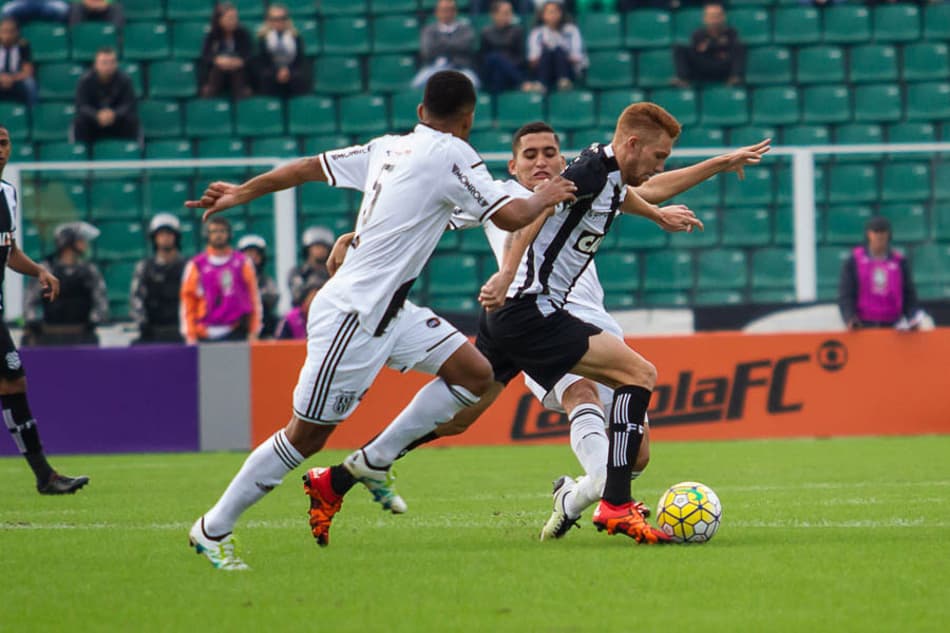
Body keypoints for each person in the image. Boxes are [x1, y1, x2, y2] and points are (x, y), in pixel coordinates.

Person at [184, 70, 577, 569]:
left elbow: (308, 167)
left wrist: (244, 192)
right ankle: (212, 528)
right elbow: (511, 216)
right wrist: (549, 192)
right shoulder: (455, 155)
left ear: (421, 112)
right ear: (469, 117)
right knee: (304, 437)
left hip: (393, 309)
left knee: (475, 375)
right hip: (354, 314)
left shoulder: (388, 146)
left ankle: (376, 461)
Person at [343, 123, 770, 537]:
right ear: (513, 167)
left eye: (549, 152)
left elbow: (643, 188)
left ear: (562, 160)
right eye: (530, 155)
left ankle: (576, 496)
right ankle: (613, 502)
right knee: (579, 392)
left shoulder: (584, 186)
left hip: (594, 323)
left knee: (634, 456)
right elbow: (421, 213)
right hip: (537, 318)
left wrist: (712, 167)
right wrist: (359, 237)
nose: (541, 161)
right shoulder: (501, 201)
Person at [0, 125, 88, 494]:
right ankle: (45, 475)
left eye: (3, 142)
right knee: (12, 380)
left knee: (13, 381)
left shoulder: (8, 194)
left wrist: (38, 270)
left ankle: (44, 475)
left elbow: (8, 248)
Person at [23, 221, 108, 347]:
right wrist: (34, 322)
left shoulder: (89, 271)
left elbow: (101, 302)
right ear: (68, 243)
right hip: (50, 337)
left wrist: (94, 320)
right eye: (80, 240)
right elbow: (29, 302)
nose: (85, 244)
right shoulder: (46, 270)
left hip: (83, 336)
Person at [180, 216, 262, 344]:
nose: (218, 235)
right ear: (207, 235)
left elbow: (254, 298)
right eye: (214, 231)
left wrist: (254, 330)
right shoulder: (196, 265)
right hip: (204, 333)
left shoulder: (243, 263)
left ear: (229, 234)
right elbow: (188, 301)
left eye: (222, 231)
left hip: (236, 331)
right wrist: (190, 334)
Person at [838, 215, 923, 331]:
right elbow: (846, 293)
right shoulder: (854, 260)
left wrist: (911, 316)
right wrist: (849, 318)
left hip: (894, 326)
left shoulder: (899, 261)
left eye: (883, 231)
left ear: (888, 234)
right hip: (863, 325)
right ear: (869, 234)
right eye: (875, 231)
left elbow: (908, 294)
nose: (879, 235)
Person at [129, 213, 185, 344]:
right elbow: (136, 298)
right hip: (153, 332)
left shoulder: (188, 266)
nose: (165, 238)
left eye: (169, 234)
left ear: (176, 237)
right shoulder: (144, 267)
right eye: (161, 234)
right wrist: (143, 324)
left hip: (181, 331)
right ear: (154, 238)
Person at [72, 46, 139, 144]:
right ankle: (83, 155)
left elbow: (129, 104)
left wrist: (114, 114)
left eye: (112, 62)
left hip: (117, 121)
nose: (108, 66)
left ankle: (129, 153)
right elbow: (81, 106)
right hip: (93, 122)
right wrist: (96, 115)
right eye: (104, 63)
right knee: (80, 122)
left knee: (131, 121)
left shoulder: (125, 80)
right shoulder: (85, 81)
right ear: (96, 64)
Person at [673, 3, 745, 88]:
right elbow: (698, 51)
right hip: (703, 68)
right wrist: (718, 45)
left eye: (717, 16)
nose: (714, 20)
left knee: (740, 47)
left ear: (723, 17)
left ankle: (735, 77)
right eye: (711, 17)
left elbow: (706, 49)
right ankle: (683, 78)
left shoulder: (731, 33)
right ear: (705, 19)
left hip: (723, 69)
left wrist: (709, 46)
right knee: (680, 48)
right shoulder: (698, 34)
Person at [412, 0, 479, 90]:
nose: (446, 13)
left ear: (455, 12)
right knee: (417, 84)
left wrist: (440, 45)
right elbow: (427, 51)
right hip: (434, 67)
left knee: (474, 84)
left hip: (460, 68)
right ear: (437, 12)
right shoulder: (428, 30)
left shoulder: (465, 29)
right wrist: (454, 46)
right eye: (443, 10)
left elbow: (466, 46)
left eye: (449, 10)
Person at [526, 1, 587, 93]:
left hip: (568, 69)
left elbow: (577, 58)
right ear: (543, 15)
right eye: (549, 12)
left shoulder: (571, 30)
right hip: (545, 68)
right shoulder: (536, 33)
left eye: (555, 11)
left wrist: (561, 52)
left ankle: (564, 81)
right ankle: (542, 84)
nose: (553, 15)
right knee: (548, 52)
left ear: (561, 13)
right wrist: (548, 51)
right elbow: (532, 61)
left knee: (558, 50)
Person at [198, 2, 254, 99]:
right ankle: (209, 97)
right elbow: (206, 55)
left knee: (237, 72)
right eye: (229, 18)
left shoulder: (243, 33)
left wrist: (240, 61)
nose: (233, 21)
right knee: (217, 70)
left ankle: (241, 101)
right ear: (220, 20)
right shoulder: (212, 34)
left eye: (235, 18)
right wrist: (217, 60)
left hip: (238, 71)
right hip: (218, 73)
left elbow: (249, 54)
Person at [253, 3, 310, 98]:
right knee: (265, 78)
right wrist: (277, 72)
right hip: (271, 74)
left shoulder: (296, 38)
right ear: (269, 21)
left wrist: (287, 71)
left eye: (283, 18)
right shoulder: (262, 39)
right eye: (275, 19)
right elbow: (262, 63)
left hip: (291, 73)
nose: (279, 22)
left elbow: (299, 61)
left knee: (298, 78)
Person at [479, 1, 531, 94]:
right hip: (491, 71)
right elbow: (482, 57)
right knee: (494, 58)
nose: (509, 16)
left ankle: (496, 102)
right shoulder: (486, 32)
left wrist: (505, 64)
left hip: (511, 70)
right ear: (494, 15)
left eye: (510, 12)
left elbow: (521, 57)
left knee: (498, 72)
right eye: (505, 13)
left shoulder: (517, 31)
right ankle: (522, 82)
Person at [237, 233, 279, 338]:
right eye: (248, 254)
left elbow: (272, 298)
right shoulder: (235, 280)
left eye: (256, 254)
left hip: (263, 327)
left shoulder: (267, 281)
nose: (252, 258)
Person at [287, 225, 332, 307]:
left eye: (324, 247)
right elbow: (297, 294)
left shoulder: (333, 272)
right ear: (308, 249)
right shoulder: (298, 272)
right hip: (302, 316)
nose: (320, 250)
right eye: (317, 246)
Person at [0, 18, 36, 105]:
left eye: (11, 31)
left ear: (17, 33)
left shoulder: (23, 46)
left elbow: (28, 71)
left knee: (30, 83)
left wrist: (11, 78)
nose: (7, 35)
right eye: (4, 31)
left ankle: (33, 112)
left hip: (17, 79)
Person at [0, 0, 68, 23]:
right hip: (22, 3)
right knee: (6, 11)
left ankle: (60, 31)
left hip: (46, 3)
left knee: (64, 9)